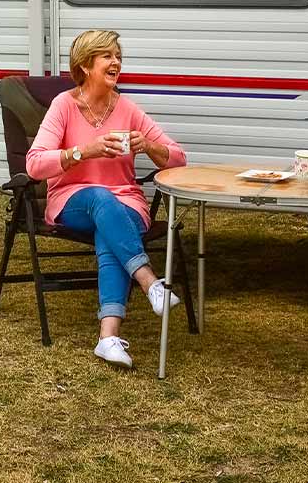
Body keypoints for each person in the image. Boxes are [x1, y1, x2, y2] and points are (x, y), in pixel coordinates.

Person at [25, 29, 188, 369]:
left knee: (109, 229)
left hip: (127, 203)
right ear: (85, 65)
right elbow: (35, 163)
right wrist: (82, 151)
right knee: (101, 200)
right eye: (107, 56)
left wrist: (149, 146)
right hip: (73, 200)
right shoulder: (64, 106)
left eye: (118, 56)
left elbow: (178, 158)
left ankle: (108, 338)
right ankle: (149, 281)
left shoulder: (127, 109)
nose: (116, 62)